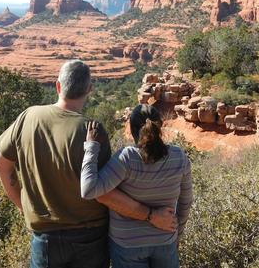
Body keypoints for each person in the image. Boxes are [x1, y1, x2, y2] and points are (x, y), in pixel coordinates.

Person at [0, 60, 177, 268]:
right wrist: (151, 216)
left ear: (58, 86)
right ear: (89, 90)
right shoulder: (93, 130)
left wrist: (23, 206)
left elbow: (0, 165)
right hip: (90, 238)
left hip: (45, 238)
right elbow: (104, 192)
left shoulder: (28, 117)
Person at [81, 104, 193, 268]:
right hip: (165, 240)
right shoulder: (179, 157)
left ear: (132, 129)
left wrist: (91, 146)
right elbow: (186, 202)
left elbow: (89, 189)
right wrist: (177, 233)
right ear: (159, 126)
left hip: (127, 245)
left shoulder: (127, 158)